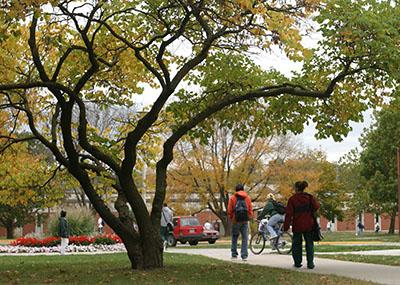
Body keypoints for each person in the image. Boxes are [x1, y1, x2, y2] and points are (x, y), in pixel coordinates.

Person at [283, 181, 320, 269]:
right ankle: (310, 263)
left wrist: (286, 227)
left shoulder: (292, 199)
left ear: (296, 188)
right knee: (309, 244)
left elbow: (288, 214)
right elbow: (316, 207)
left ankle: (297, 262)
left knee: (296, 244)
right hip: (309, 225)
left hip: (297, 225)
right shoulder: (310, 197)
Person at [227, 183, 253, 261]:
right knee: (245, 237)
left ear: (236, 190)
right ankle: (244, 255)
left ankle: (234, 254)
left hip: (236, 220)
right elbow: (250, 209)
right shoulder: (247, 198)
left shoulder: (232, 198)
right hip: (245, 220)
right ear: (243, 189)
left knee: (235, 237)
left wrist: (232, 218)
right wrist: (249, 217)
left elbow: (229, 210)